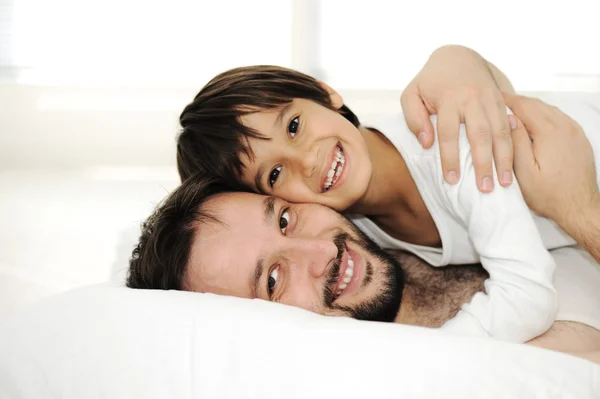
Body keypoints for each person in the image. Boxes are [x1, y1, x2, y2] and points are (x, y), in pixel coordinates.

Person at [126, 99, 600, 361]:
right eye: (272, 280)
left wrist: (580, 211)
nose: (319, 252)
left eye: (285, 218)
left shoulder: (427, 172)